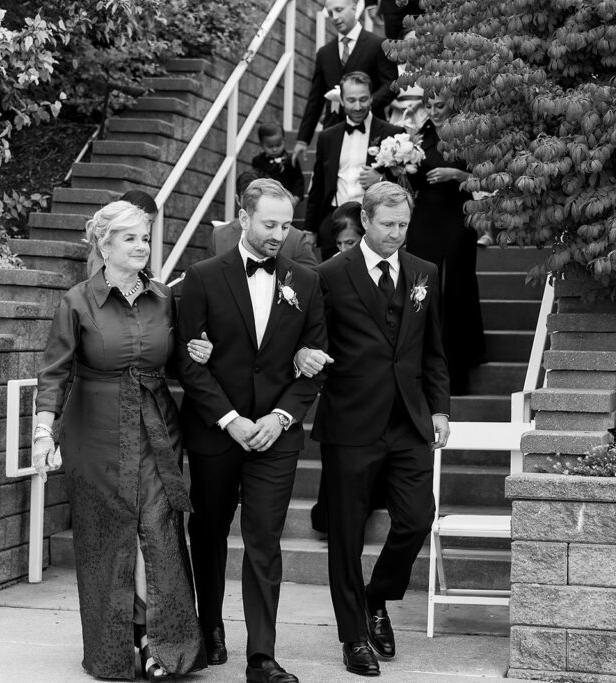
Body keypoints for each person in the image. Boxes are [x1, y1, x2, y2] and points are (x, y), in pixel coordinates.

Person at [33, 200, 213, 681]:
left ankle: (161, 644)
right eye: (130, 237)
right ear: (104, 244)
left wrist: (199, 351)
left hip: (157, 432)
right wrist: (42, 433)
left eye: (146, 237)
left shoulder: (163, 298)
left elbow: (177, 364)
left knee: (157, 531)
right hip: (95, 435)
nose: (142, 246)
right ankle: (119, 643)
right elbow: (54, 373)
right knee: (109, 539)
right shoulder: (76, 302)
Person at [295, 182, 450, 677]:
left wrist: (440, 409)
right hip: (351, 422)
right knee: (345, 535)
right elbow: (310, 340)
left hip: (409, 419)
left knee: (415, 519)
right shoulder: (328, 275)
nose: (396, 234)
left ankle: (376, 596)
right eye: (388, 225)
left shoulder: (424, 273)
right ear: (365, 221)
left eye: (403, 225)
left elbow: (433, 350)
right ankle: (353, 636)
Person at [176, 178, 328, 683]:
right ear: (243, 218)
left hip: (275, 437)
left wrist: (280, 418)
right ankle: (210, 624)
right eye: (269, 224)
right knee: (210, 531)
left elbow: (314, 364)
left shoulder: (304, 282)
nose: (277, 235)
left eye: (286, 226)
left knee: (265, 539)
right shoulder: (201, 277)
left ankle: (262, 656)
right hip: (217, 432)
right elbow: (188, 361)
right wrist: (231, 419)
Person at [404, 90, 485, 395]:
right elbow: (409, 182)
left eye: (440, 106)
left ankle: (461, 358)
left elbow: (484, 178)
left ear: (452, 106)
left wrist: (455, 173)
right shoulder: (417, 137)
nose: (434, 111)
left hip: (457, 214)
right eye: (430, 106)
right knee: (421, 284)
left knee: (456, 285)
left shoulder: (466, 135)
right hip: (425, 217)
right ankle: (420, 357)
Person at [305, 71, 405, 260]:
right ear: (341, 100)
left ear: (371, 97)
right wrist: (310, 228)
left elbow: (405, 183)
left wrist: (381, 180)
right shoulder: (327, 137)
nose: (358, 106)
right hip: (335, 223)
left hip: (374, 222)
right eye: (351, 100)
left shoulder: (393, 133)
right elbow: (318, 185)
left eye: (363, 99)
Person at [291, 0, 398, 167]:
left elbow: (392, 85)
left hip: (371, 130)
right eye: (330, 13)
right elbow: (315, 99)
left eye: (339, 10)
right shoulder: (324, 53)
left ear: (354, 7)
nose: (334, 17)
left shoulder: (378, 44)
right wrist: (303, 139)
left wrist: (364, 104)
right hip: (333, 130)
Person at [207, 170, 319, 268]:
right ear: (238, 200)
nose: (278, 236)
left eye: (285, 227)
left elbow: (312, 284)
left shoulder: (297, 239)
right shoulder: (219, 236)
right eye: (249, 197)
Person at [86, 190, 159, 277]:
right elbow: (99, 287)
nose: (148, 229)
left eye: (151, 223)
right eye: (148, 221)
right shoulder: (103, 254)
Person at [251, 121, 306, 202]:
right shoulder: (258, 161)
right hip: (265, 200)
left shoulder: (291, 159)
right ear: (262, 144)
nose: (275, 149)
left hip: (287, 198)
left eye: (278, 145)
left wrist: (296, 197)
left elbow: (298, 180)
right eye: (270, 146)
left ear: (284, 140)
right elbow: (256, 181)